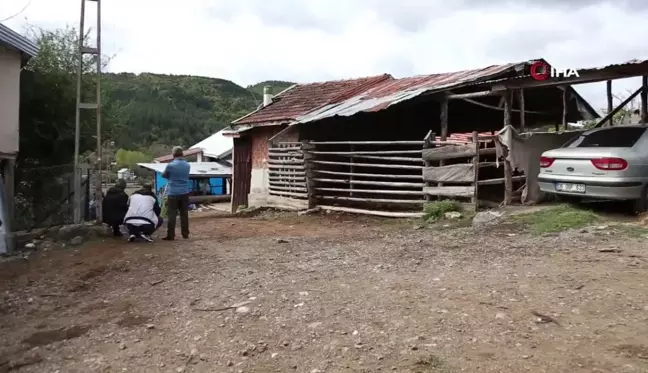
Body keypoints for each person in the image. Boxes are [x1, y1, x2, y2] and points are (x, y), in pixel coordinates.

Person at [162, 146, 190, 240]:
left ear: (173, 154)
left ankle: (171, 235)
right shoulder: (187, 165)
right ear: (182, 154)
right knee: (184, 214)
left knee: (172, 214)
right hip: (185, 192)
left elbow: (164, 175)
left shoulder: (170, 165)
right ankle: (185, 234)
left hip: (173, 192)